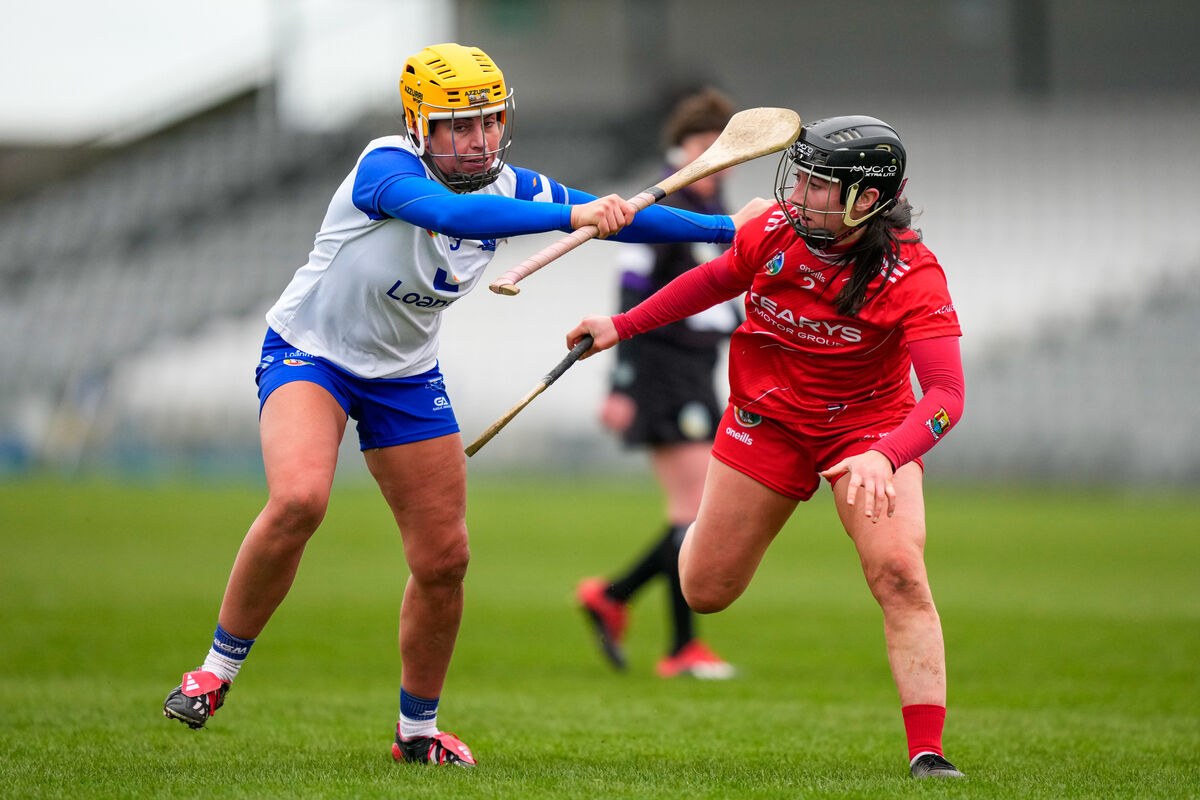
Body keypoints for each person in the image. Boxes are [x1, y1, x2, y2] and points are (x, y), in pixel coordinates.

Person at [160, 43, 771, 767]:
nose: (478, 139)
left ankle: (417, 732)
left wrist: (735, 230)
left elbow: (632, 219)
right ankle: (214, 671)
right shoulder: (386, 168)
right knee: (299, 500)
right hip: (310, 355)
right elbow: (452, 211)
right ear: (420, 126)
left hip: (405, 378)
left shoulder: (513, 184)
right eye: (459, 125)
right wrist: (564, 215)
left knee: (445, 558)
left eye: (488, 122)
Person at [566, 116, 967, 779]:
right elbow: (716, 280)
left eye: (816, 184)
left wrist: (885, 455)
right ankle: (690, 535)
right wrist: (621, 325)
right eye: (799, 178)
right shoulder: (776, 230)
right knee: (704, 591)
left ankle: (928, 751)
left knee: (899, 571)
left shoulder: (913, 275)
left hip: (867, 431)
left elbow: (946, 394)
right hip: (766, 420)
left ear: (866, 201)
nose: (797, 194)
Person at [576, 88, 740, 680]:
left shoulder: (716, 202)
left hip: (698, 371)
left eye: (726, 151)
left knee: (693, 514)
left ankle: (614, 596)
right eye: (707, 147)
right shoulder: (658, 200)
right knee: (693, 513)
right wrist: (620, 384)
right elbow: (629, 288)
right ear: (682, 148)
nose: (718, 161)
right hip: (662, 372)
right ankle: (679, 648)